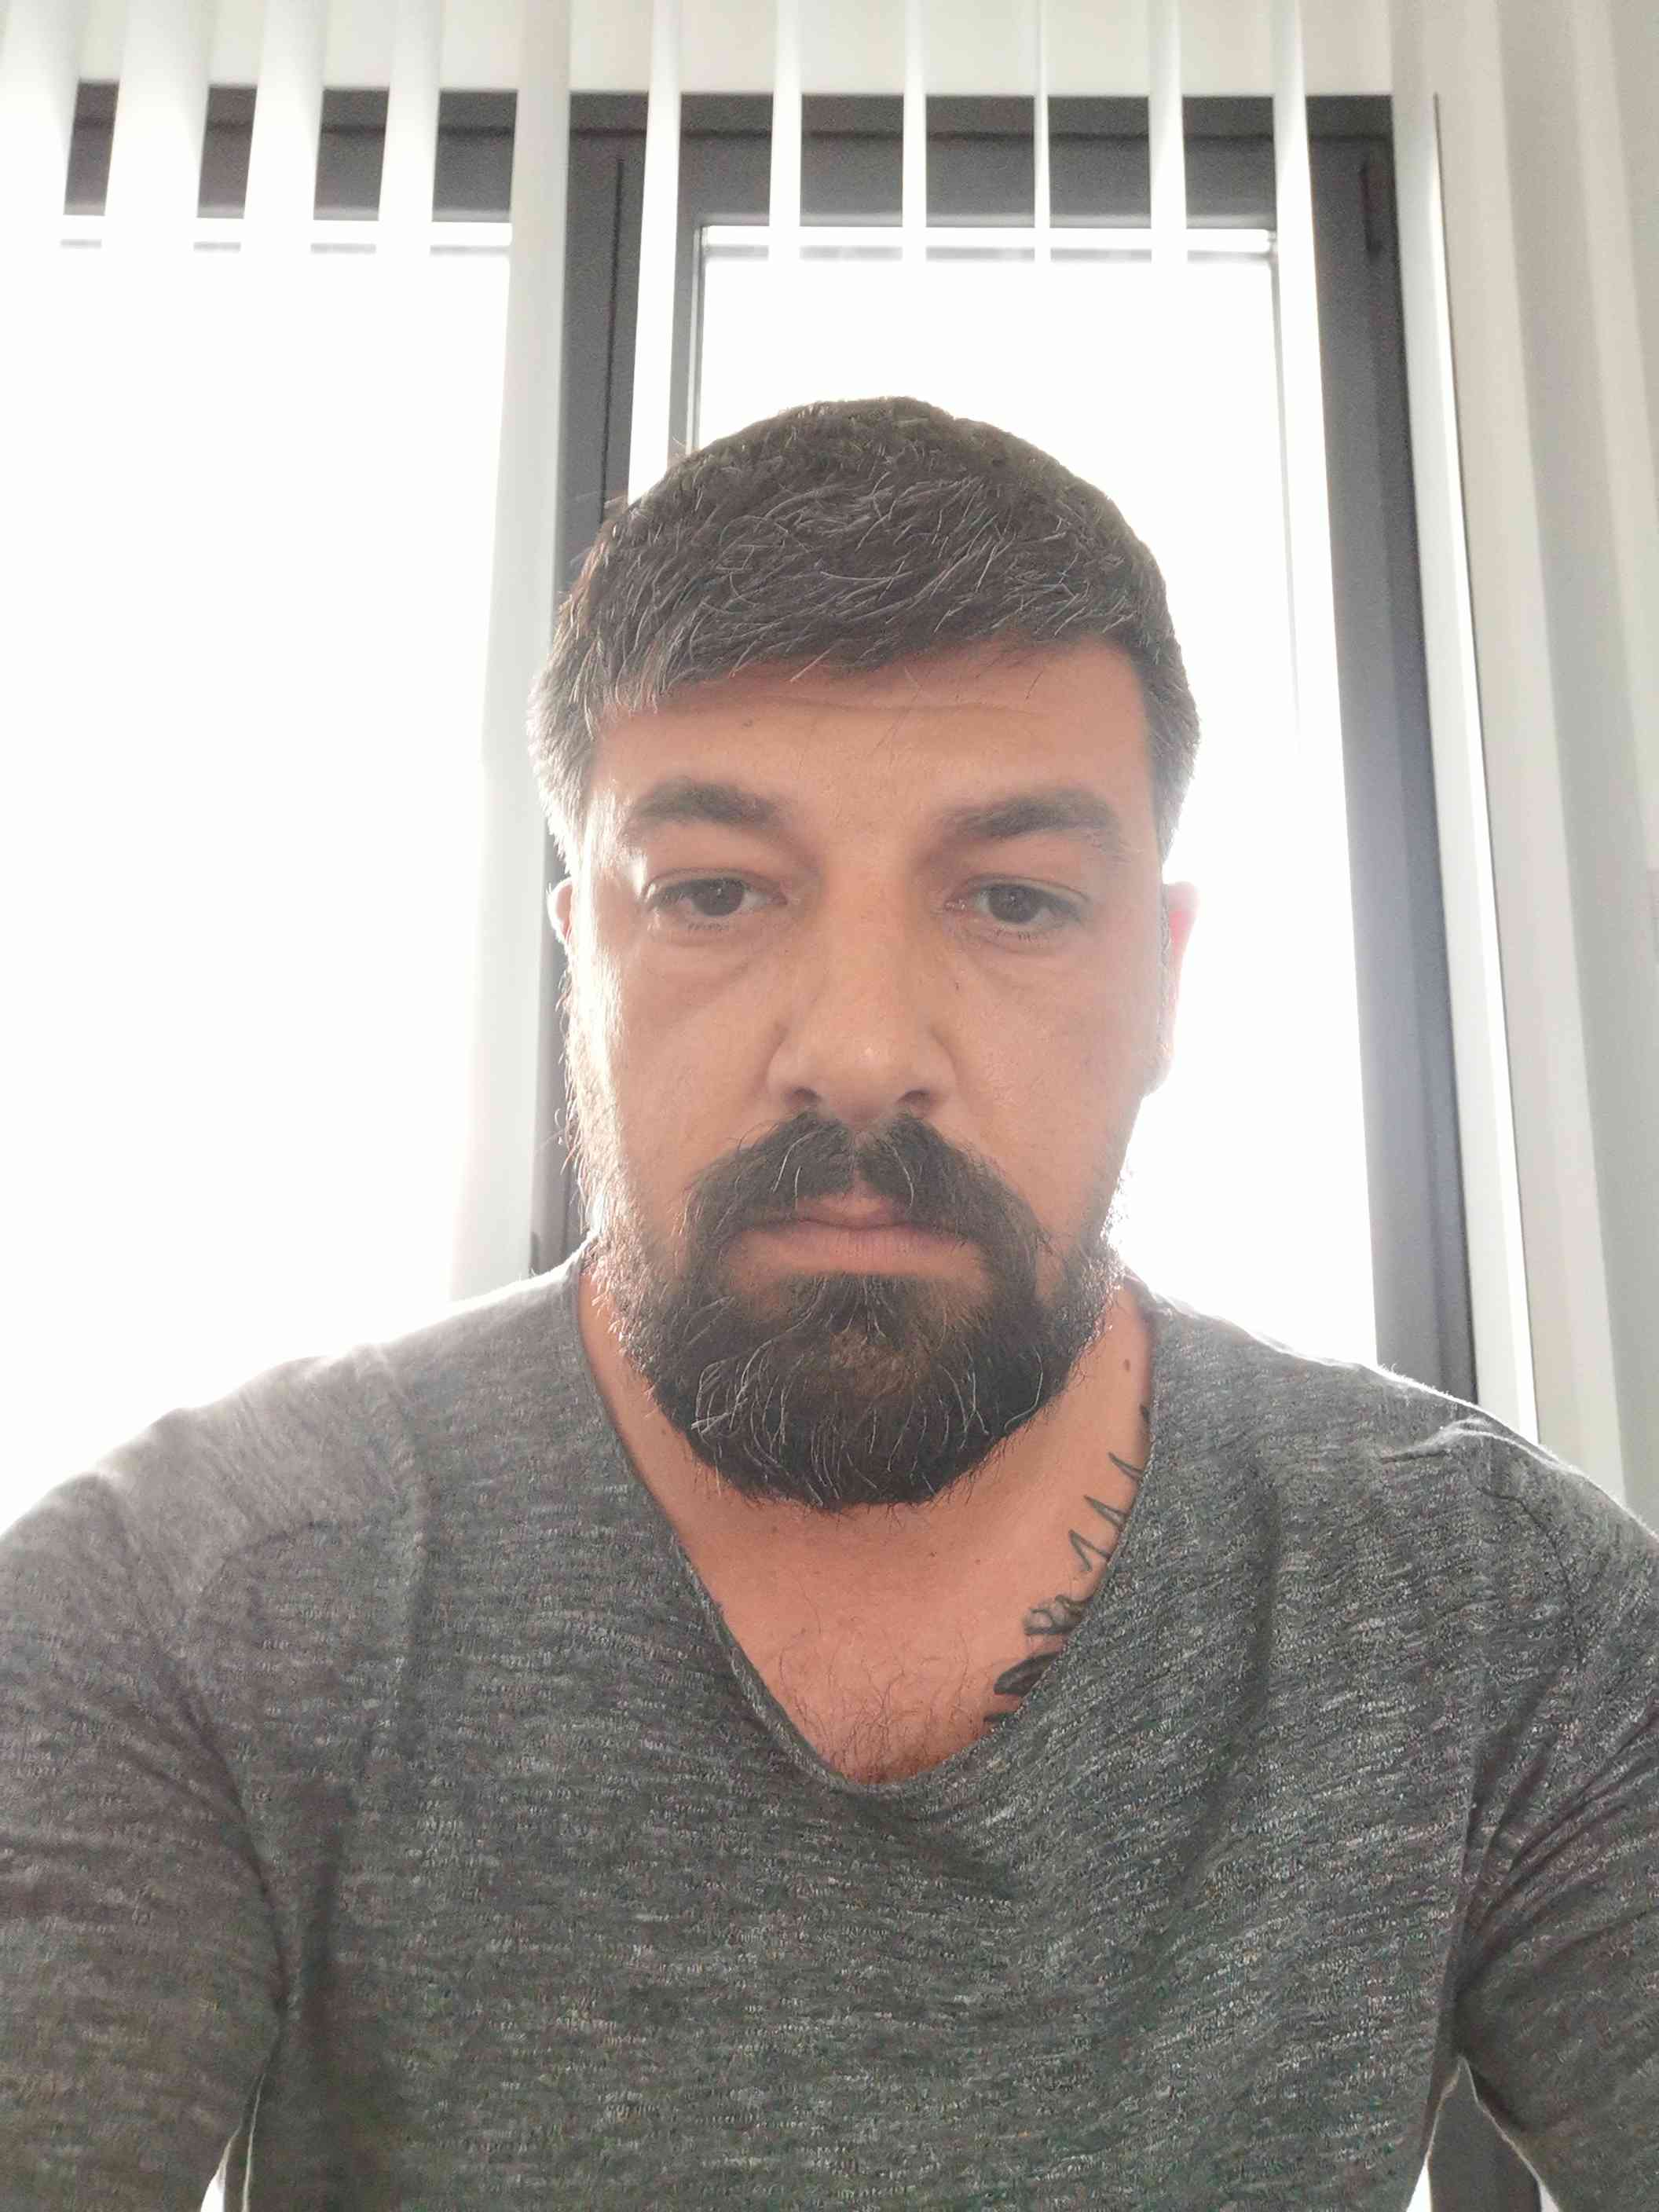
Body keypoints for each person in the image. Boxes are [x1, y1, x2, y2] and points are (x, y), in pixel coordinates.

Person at [2, 396, 1654, 2209]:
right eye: (715, 893)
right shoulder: (189, 1600)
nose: (861, 1052)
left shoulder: (1500, 1615)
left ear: (1163, 981)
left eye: (1014, 901)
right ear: (583, 964)